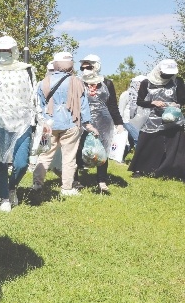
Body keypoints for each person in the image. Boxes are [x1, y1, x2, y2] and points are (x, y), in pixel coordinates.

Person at [32, 52, 99, 196]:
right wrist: (88, 124)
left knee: (44, 154)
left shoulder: (44, 82)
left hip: (48, 124)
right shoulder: (77, 81)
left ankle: (37, 183)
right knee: (69, 157)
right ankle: (67, 188)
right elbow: (83, 105)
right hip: (71, 122)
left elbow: (41, 105)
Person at [0, 36, 36, 212]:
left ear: (14, 52)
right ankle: (3, 198)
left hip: (23, 122)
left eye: (6, 51)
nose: (3, 54)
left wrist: (39, 119)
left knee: (22, 163)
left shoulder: (27, 70)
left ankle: (12, 187)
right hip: (0, 123)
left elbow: (34, 95)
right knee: (0, 162)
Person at [74, 55, 123, 193]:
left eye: (88, 67)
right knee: (78, 149)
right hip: (83, 121)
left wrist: (119, 123)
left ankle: (102, 180)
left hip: (104, 122)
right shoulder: (78, 82)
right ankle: (75, 179)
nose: (85, 70)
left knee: (102, 151)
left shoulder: (107, 83)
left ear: (96, 66)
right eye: (82, 68)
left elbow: (113, 105)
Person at [129, 59, 185, 179]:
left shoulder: (177, 81)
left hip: (173, 119)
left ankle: (173, 171)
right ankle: (140, 169)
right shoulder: (146, 82)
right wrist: (152, 103)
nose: (168, 76)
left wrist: (177, 105)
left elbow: (182, 99)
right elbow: (140, 101)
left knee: (174, 145)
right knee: (147, 143)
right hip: (153, 119)